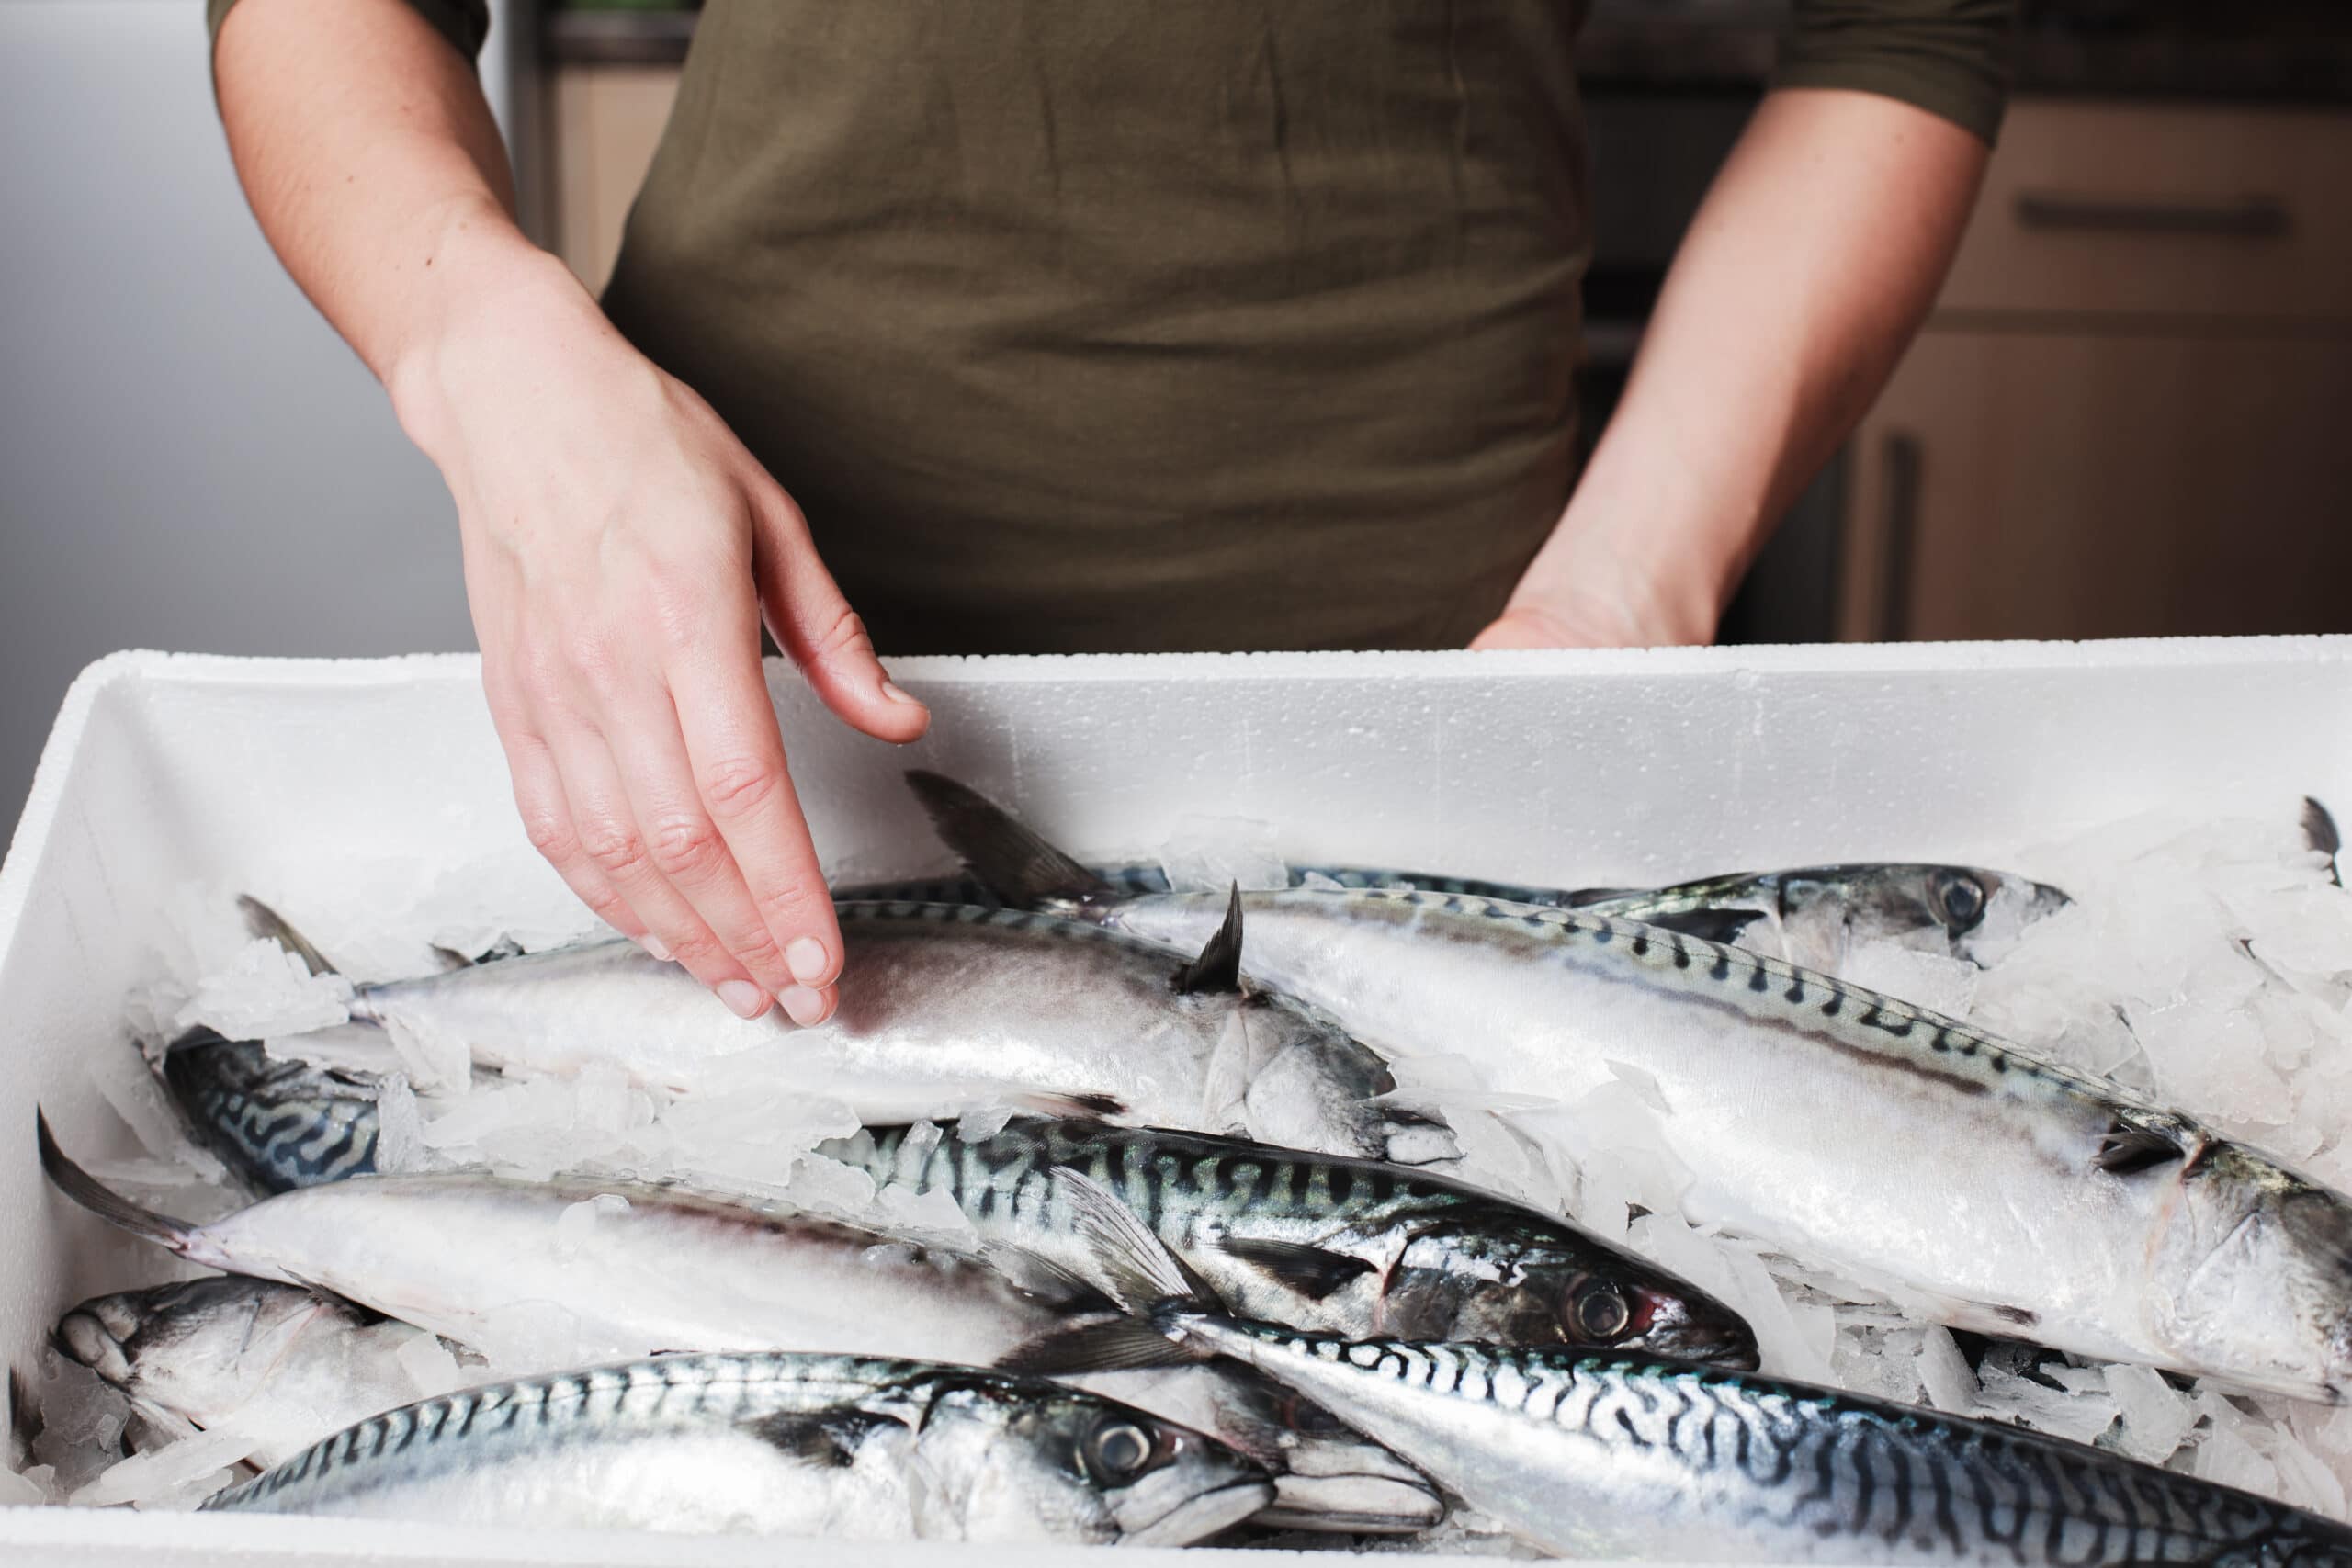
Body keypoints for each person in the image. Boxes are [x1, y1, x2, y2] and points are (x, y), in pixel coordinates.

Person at [207, 0, 2010, 1027]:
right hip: (728, 680)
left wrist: (1623, 587)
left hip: (1449, 681)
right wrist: (489, 352)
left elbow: (1904, 26)